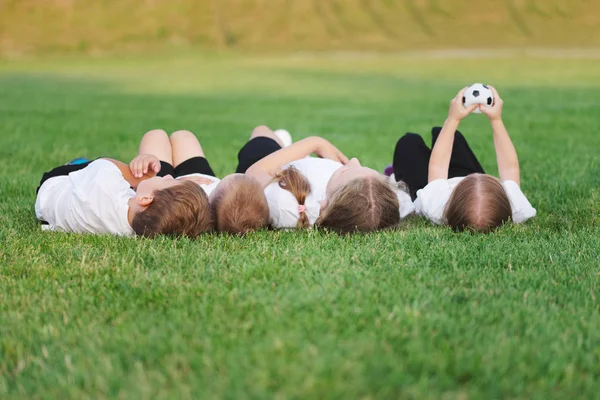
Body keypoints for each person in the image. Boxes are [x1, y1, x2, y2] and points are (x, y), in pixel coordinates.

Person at [391, 86, 536, 233]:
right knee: (450, 137)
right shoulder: (516, 207)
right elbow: (510, 168)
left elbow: (438, 166)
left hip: (427, 185)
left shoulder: (436, 205)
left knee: (409, 143)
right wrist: (496, 119)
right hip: (465, 187)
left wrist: (453, 119)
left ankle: (396, 175)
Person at [35, 130, 211, 237]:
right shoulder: (141, 230)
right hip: (59, 209)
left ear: (145, 199)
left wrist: (141, 168)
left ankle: (76, 163)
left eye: (168, 182)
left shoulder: (105, 183)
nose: (169, 177)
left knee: (91, 165)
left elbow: (105, 162)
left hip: (52, 188)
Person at [244, 126, 414, 233]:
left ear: (324, 205)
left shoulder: (286, 199)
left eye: (344, 171)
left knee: (261, 132)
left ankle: (282, 143)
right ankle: (285, 144)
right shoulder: (379, 208)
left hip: (271, 167)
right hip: (302, 165)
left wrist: (316, 143)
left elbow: (252, 173)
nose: (353, 160)